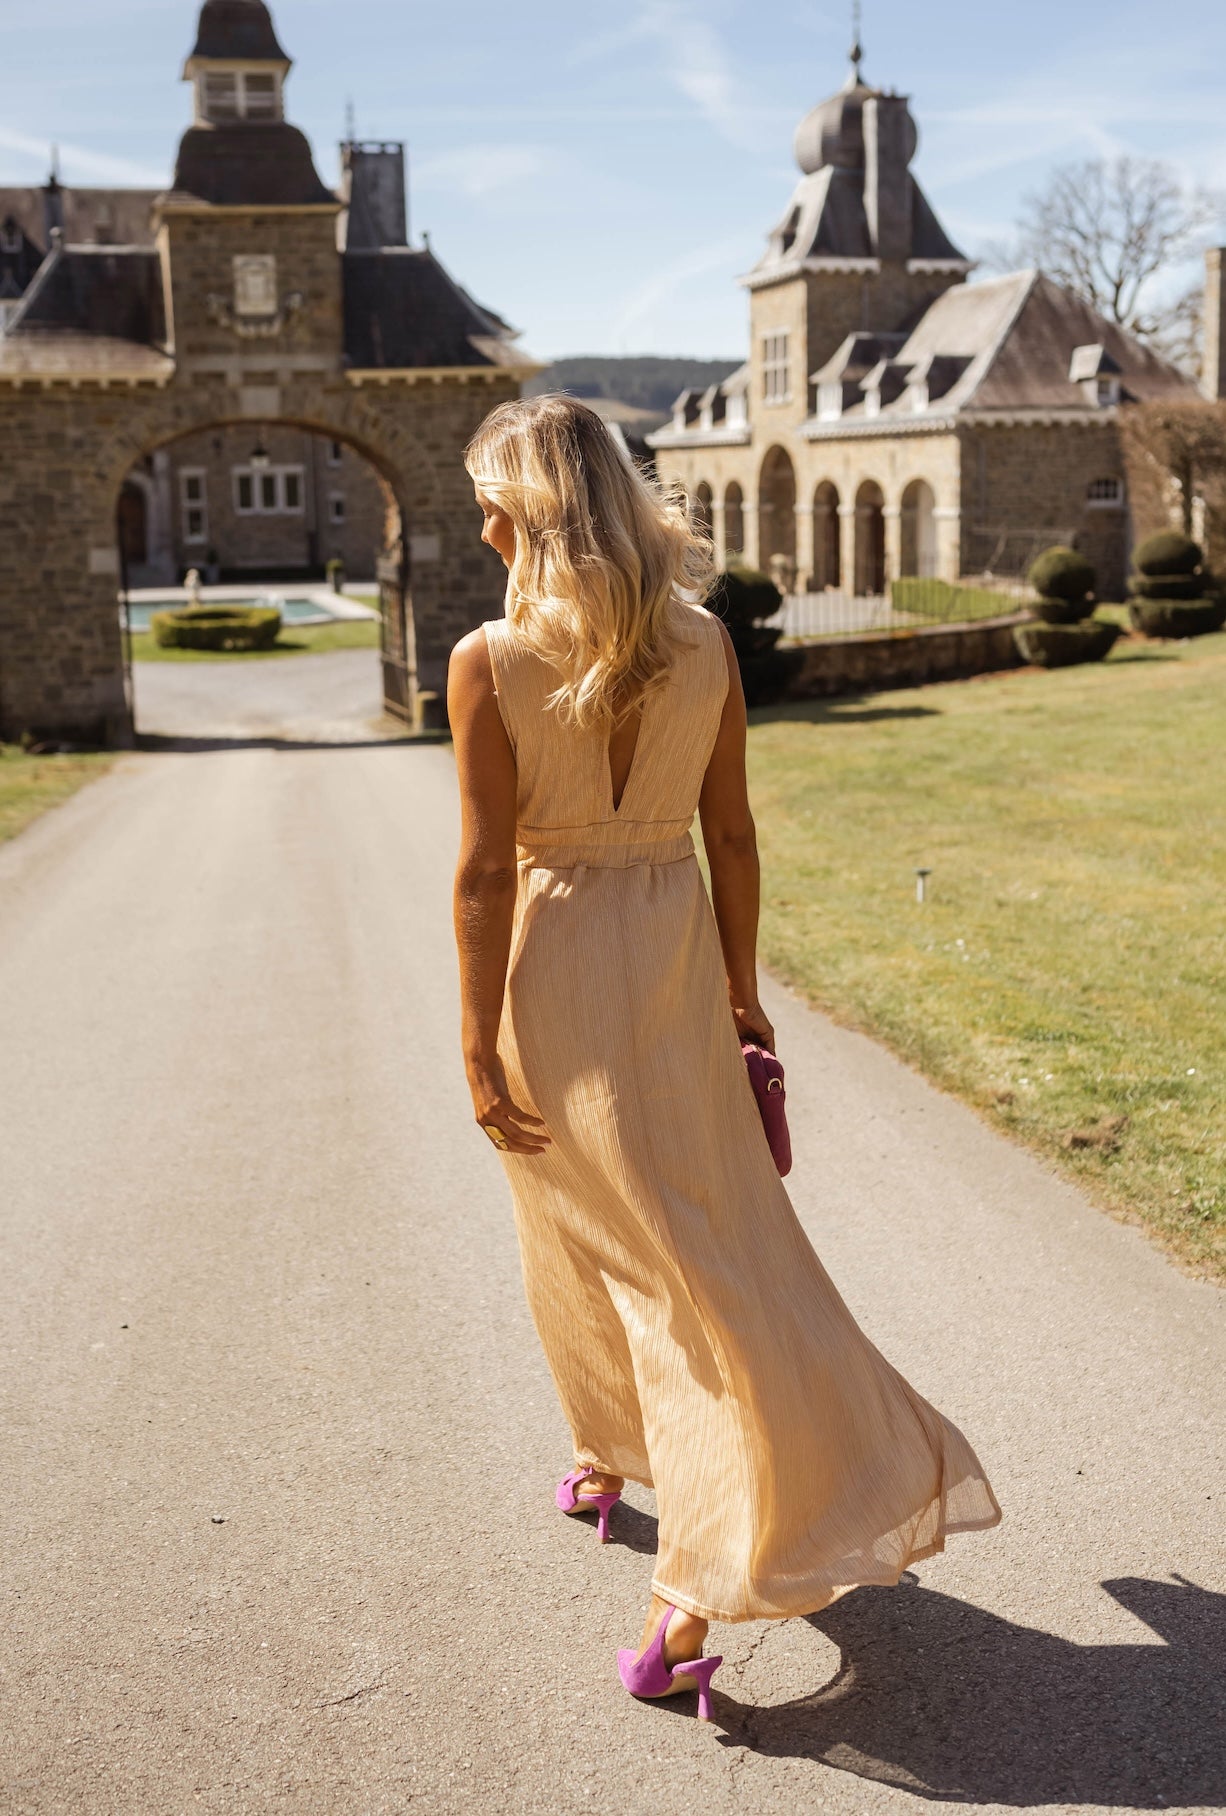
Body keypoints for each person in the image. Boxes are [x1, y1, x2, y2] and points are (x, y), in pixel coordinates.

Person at [447, 394, 1001, 1719]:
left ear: (526, 515)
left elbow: (479, 873)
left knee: (634, 1258)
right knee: (678, 1236)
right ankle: (611, 1448)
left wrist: (474, 1041)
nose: (477, 522)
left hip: (551, 975)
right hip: (677, 961)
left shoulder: (487, 657)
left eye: (489, 500)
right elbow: (732, 836)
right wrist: (741, 995)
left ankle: (687, 1597)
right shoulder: (703, 643)